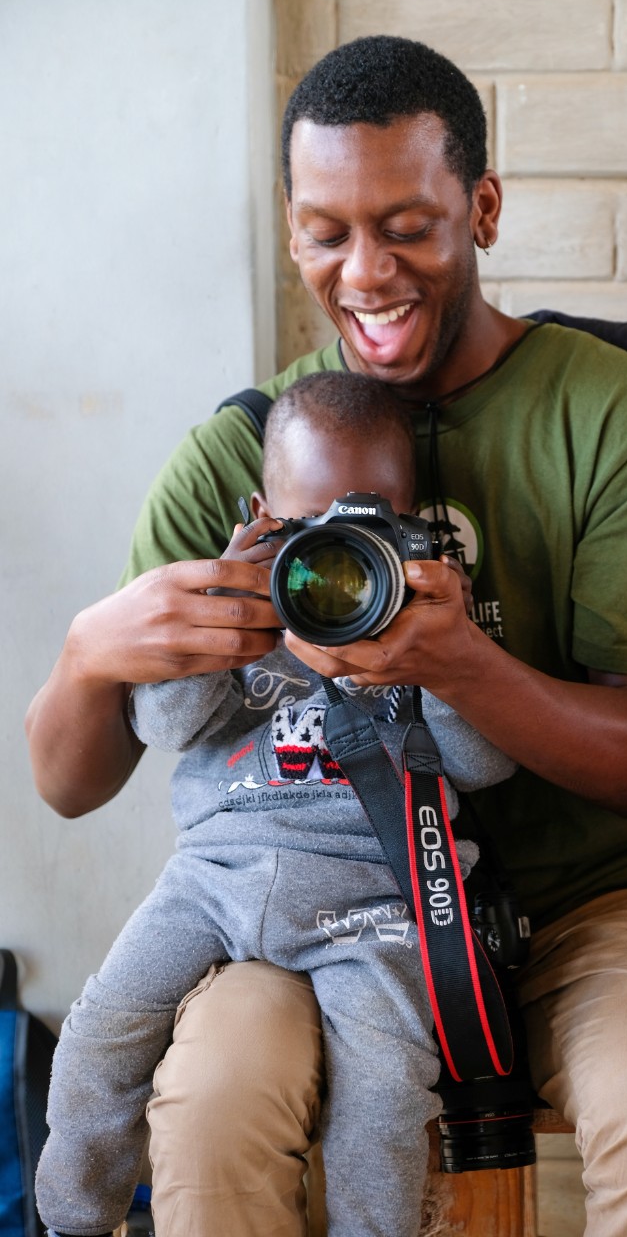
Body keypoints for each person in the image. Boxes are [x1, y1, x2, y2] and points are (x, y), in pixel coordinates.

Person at [26, 35, 627, 1237]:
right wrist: (88, 650)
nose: (365, 270)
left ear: (480, 206)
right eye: (325, 231)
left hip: (588, 901)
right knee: (209, 1108)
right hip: (311, 902)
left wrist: (449, 657)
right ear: (290, 226)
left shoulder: (615, 416)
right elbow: (69, 783)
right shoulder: (245, 450)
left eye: (407, 224)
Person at [35, 371, 515, 1237]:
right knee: (104, 1028)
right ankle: (72, 1220)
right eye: (303, 530)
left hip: (376, 899)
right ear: (261, 511)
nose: (329, 560)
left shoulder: (425, 628)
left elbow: (480, 767)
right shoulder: (230, 608)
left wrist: (442, 654)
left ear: (410, 522)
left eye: (361, 530)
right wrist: (226, 599)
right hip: (213, 882)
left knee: (385, 1086)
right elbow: (167, 725)